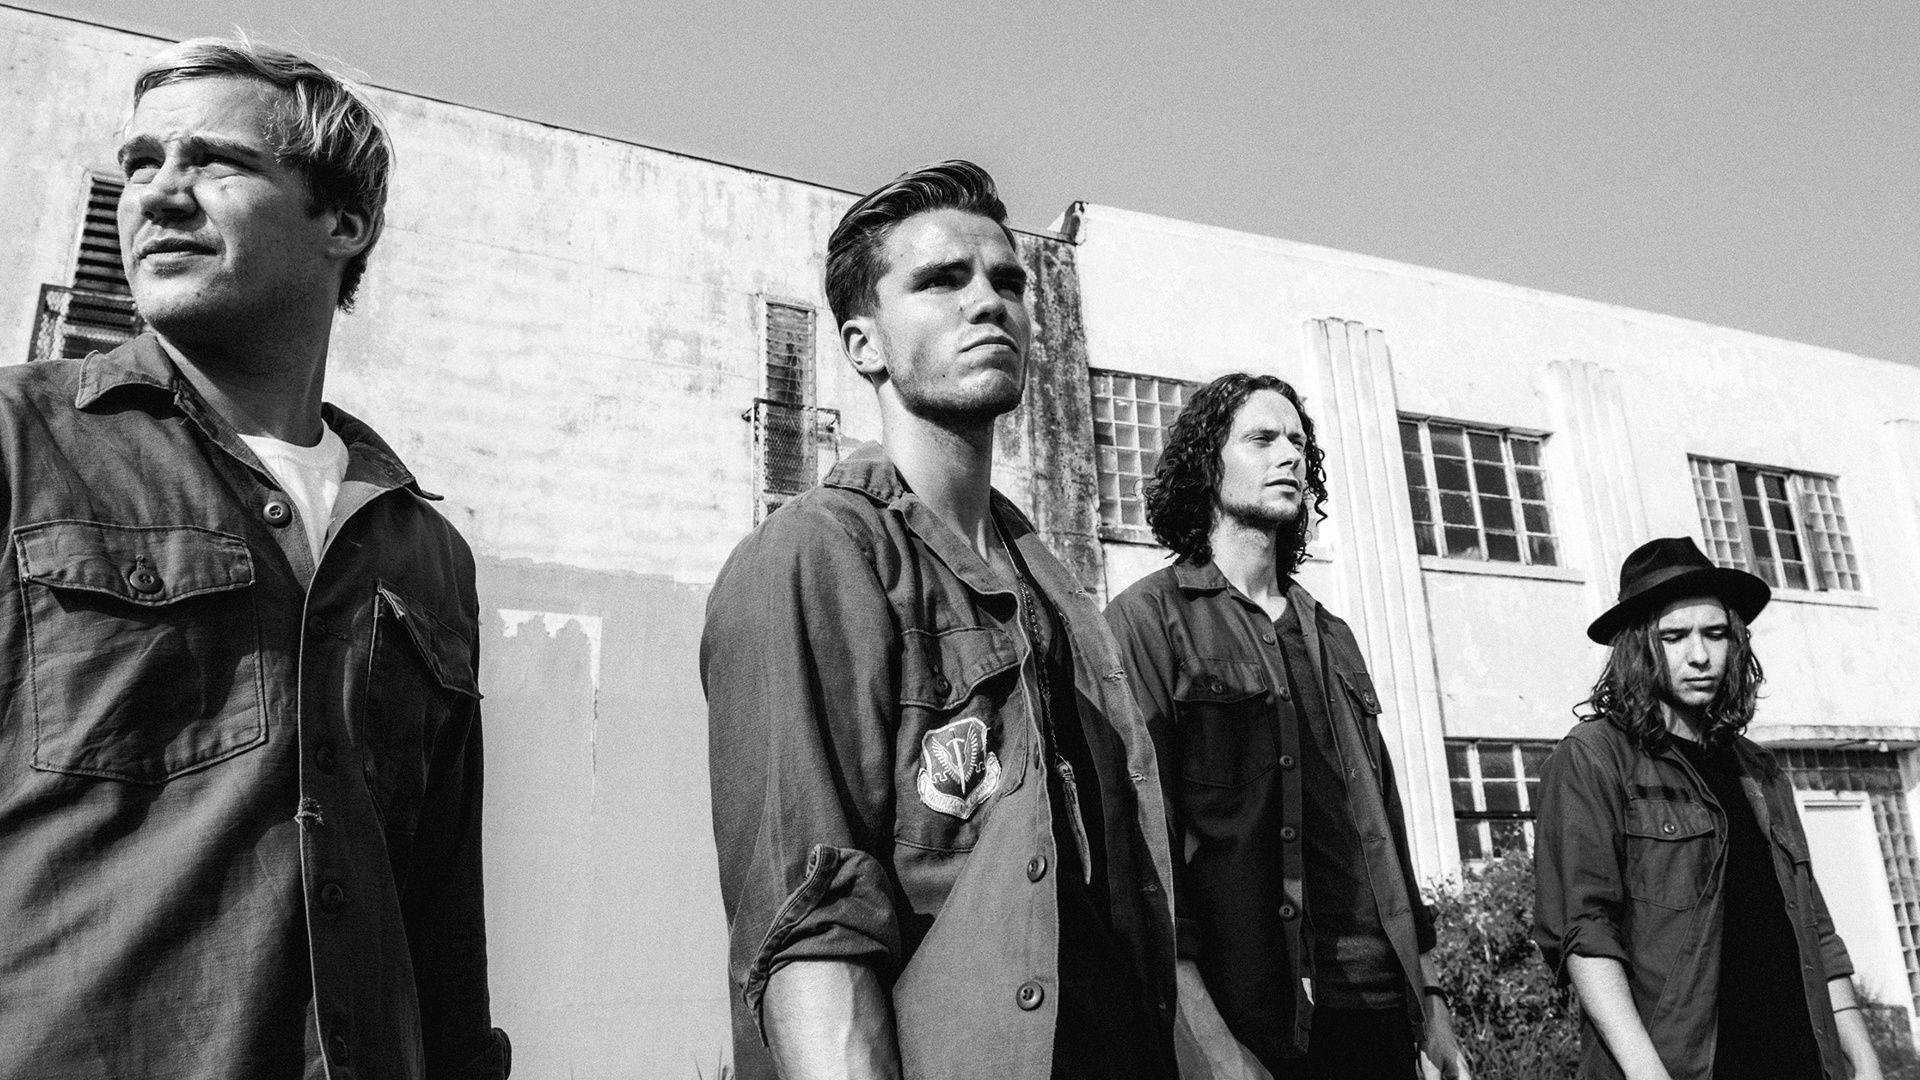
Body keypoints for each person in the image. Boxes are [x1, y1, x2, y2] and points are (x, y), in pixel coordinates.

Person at [0, 39, 508, 1079]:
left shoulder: (424, 552)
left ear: (343, 221)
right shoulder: (17, 445)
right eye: (141, 164)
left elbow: (442, 918)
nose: (157, 196)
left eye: (215, 163)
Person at [701, 161, 1178, 1080]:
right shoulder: (815, 558)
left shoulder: (1059, 591)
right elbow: (811, 930)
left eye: (1006, 282)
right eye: (940, 281)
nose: (987, 302)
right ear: (863, 343)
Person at [1105, 373, 1470, 1080]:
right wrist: (1212, 1045)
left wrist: (1431, 999)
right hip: (1254, 1018)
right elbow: (1140, 854)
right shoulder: (1149, 621)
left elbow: (1383, 825)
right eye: (1263, 439)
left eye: (1299, 442)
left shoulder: (1331, 633)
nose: (1290, 456)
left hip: (1379, 1009)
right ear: (1208, 464)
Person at [1534, 536, 1883, 1080]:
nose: (1700, 656)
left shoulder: (1759, 770)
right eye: (1674, 636)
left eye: (1715, 633)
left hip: (1801, 1058)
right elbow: (1584, 932)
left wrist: (1861, 1056)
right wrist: (1646, 1072)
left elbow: (1814, 924)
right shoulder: (1594, 759)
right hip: (1683, 1065)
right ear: (1638, 646)